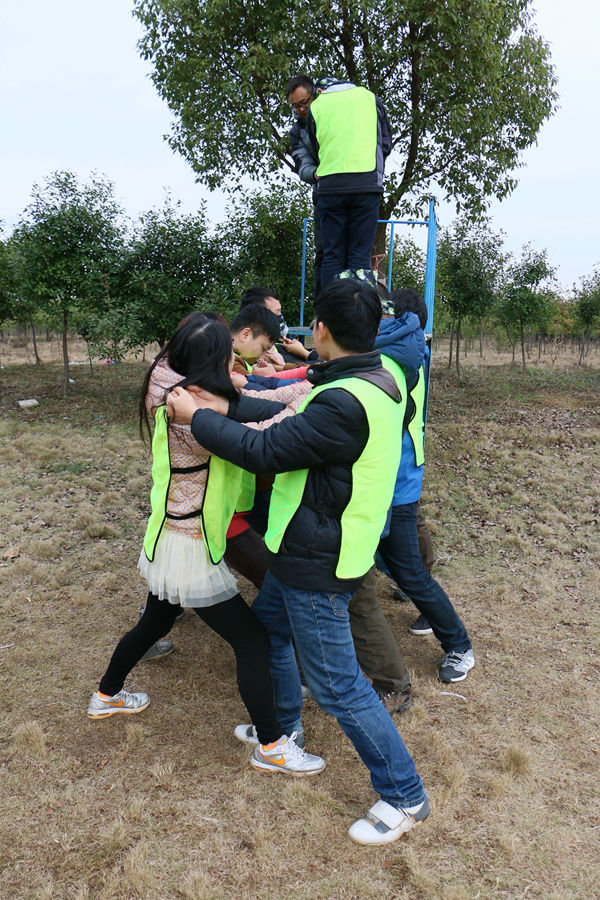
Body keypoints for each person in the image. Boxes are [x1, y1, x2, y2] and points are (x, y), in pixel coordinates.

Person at [168, 281, 429, 846]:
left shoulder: (344, 400)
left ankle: (404, 794)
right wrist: (221, 404)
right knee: (271, 635)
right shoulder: (372, 377)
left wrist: (196, 417)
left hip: (320, 559)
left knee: (339, 686)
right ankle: (284, 731)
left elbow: (264, 449)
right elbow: (281, 412)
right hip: (303, 546)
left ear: (322, 330)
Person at [87, 313, 325, 778]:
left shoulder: (181, 391)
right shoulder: (190, 416)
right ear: (208, 362)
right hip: (190, 546)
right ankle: (273, 746)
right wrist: (305, 406)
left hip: (169, 538)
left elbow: (252, 399)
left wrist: (305, 385)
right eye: (225, 355)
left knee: (155, 621)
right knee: (252, 641)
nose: (233, 361)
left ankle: (106, 695)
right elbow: (259, 435)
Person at [375, 289, 475, 683]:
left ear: (396, 319)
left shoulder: (397, 358)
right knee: (392, 567)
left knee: (410, 573)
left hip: (396, 481)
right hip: (388, 477)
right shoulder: (400, 351)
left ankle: (459, 646)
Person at [306, 77, 392, 288]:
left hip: (330, 187)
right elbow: (386, 142)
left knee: (332, 256)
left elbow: (315, 148)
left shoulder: (317, 105)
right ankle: (358, 308)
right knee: (360, 260)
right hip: (366, 184)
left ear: (321, 90)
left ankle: (330, 308)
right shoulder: (369, 98)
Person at [286, 75, 323, 294]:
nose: (301, 109)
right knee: (323, 253)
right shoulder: (297, 131)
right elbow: (302, 165)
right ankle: (322, 307)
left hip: (351, 188)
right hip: (322, 194)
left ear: (314, 96)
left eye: (304, 103)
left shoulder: (333, 118)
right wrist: (317, 174)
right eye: (295, 106)